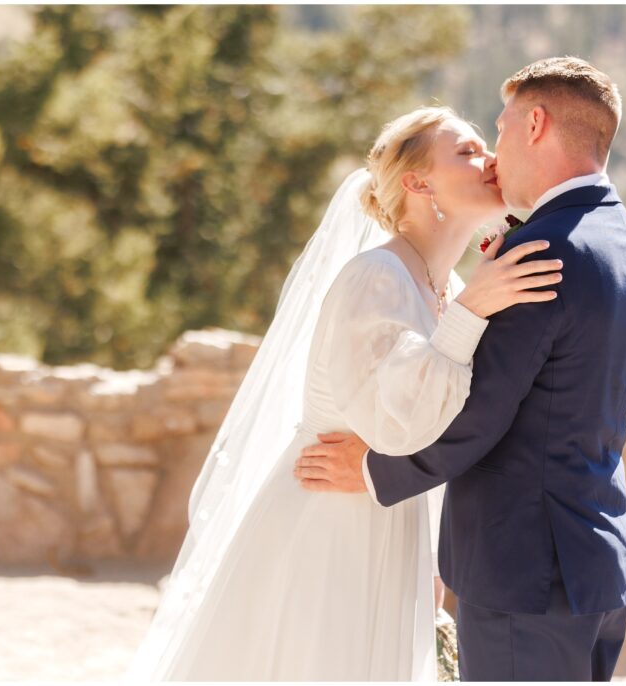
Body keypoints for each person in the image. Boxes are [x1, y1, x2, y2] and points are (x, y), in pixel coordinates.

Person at [125, 105, 562, 680]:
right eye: (466, 150)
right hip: (329, 526)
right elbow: (396, 425)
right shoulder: (375, 278)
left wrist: (432, 560)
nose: (489, 159)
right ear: (417, 182)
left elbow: (454, 427)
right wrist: (473, 309)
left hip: (392, 528)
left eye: (486, 145)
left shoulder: (449, 287)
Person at [295, 57, 626, 681]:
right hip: (598, 561)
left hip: (527, 573)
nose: (494, 154)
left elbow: (481, 412)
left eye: (497, 129)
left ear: (536, 123)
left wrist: (373, 470)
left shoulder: (541, 250)